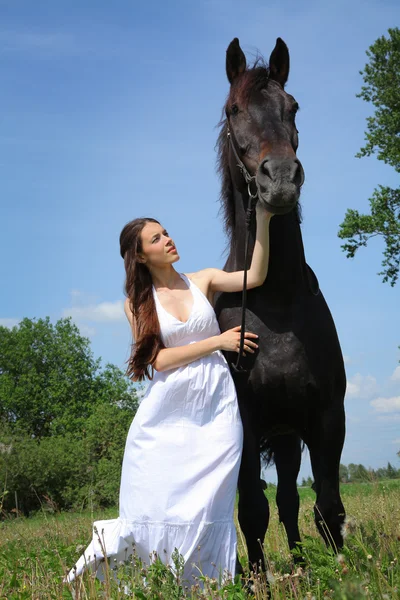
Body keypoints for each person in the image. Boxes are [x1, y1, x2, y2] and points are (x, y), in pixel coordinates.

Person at [65, 204, 273, 588]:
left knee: (211, 502)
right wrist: (218, 341)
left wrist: (263, 218)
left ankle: (208, 585)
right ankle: (154, 584)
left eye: (166, 232)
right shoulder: (137, 302)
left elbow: (255, 276)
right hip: (164, 415)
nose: (168, 239)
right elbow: (159, 361)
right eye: (156, 238)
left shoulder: (203, 280)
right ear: (141, 255)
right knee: (152, 503)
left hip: (215, 409)